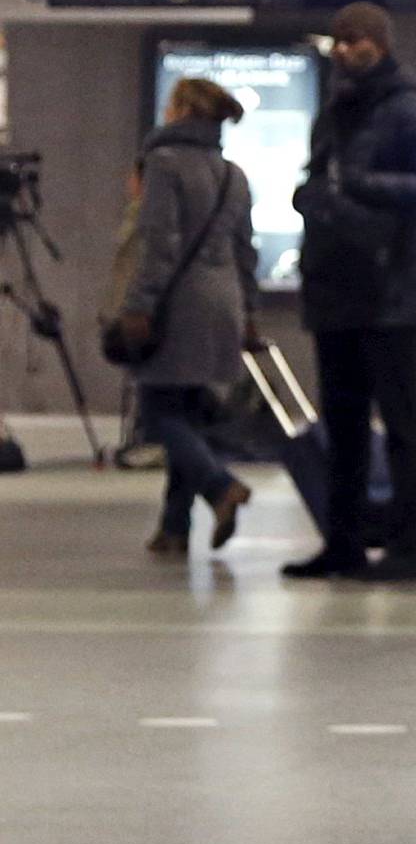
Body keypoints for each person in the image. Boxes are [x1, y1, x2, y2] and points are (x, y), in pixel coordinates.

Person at [287, 3, 416, 584]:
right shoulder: (335, 109)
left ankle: (407, 544)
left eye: (353, 39)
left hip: (390, 291)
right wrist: (310, 197)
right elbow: (320, 177)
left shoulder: (408, 109)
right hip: (333, 285)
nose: (342, 50)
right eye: (336, 40)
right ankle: (343, 541)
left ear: (380, 44)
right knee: (343, 423)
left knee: (400, 421)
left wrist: (364, 188)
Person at [116, 78, 257, 559]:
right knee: (187, 416)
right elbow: (246, 253)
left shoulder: (163, 163)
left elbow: (159, 243)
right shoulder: (233, 174)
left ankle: (221, 487)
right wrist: (251, 316)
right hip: (225, 304)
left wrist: (139, 305)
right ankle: (173, 528)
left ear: (178, 109)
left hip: (179, 305)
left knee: (158, 416)